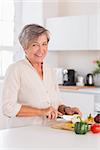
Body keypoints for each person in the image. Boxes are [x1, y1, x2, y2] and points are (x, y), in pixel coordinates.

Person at [2, 24, 82, 128]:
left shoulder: (50, 71)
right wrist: (41, 111)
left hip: (50, 130)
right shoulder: (15, 69)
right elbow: (8, 108)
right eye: (35, 45)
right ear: (25, 48)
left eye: (44, 44)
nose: (41, 50)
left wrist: (66, 109)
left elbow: (56, 104)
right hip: (23, 134)